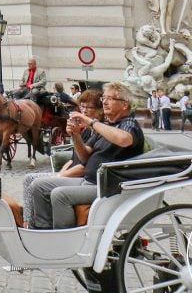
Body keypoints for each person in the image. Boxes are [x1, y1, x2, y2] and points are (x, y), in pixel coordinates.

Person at [29, 82, 144, 229]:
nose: (105, 102)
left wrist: (91, 122)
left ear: (124, 105)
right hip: (89, 180)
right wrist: (75, 135)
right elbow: (84, 156)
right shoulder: (107, 125)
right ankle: (42, 229)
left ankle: (66, 240)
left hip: (108, 186)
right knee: (38, 185)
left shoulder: (128, 124)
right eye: (104, 99)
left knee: (60, 195)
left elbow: (123, 139)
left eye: (110, 98)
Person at [22, 89, 103, 226]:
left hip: (81, 176)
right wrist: (61, 173)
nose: (83, 110)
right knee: (28, 178)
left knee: (39, 184)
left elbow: (84, 165)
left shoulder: (98, 132)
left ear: (100, 110)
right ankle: (29, 220)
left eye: (87, 107)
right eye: (82, 106)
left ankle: (38, 224)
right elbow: (73, 159)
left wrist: (61, 176)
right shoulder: (87, 132)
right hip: (72, 172)